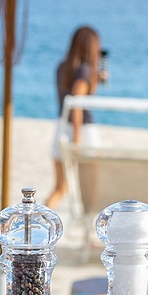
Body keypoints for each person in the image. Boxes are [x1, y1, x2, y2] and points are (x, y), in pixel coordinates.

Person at [46, 26, 106, 209]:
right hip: (83, 131)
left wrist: (95, 80)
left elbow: (68, 98)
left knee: (59, 188)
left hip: (61, 128)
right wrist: (77, 139)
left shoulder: (62, 67)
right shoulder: (85, 71)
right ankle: (89, 236)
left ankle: (37, 224)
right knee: (90, 189)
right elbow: (76, 104)